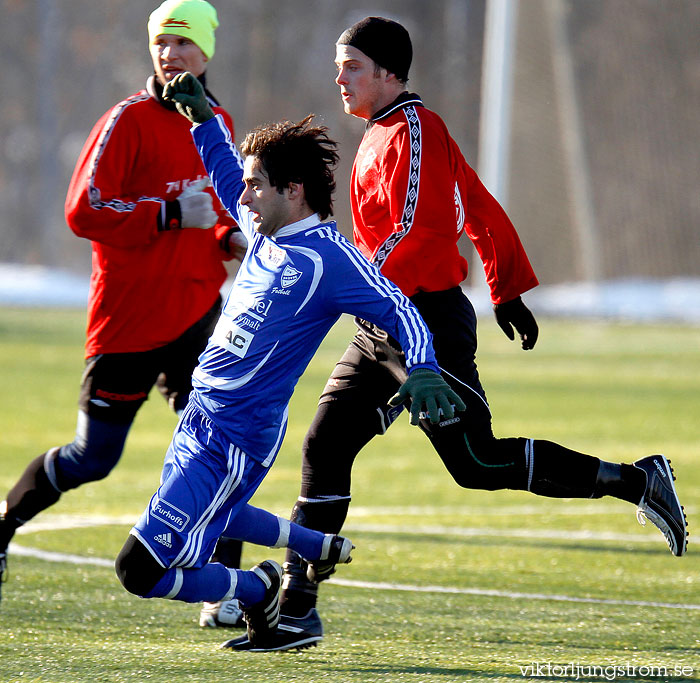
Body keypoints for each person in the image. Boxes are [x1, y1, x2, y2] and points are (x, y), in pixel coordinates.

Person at [222, 16, 689, 653]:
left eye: (352, 65)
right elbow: (476, 202)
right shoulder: (380, 133)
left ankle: (639, 481)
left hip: (427, 327)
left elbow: (418, 230)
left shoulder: (417, 129)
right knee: (325, 446)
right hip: (382, 322)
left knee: (478, 464)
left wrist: (370, 284)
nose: (340, 76)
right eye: (339, 65)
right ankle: (299, 609)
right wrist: (506, 285)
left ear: (390, 73)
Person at [113, 72, 465, 650]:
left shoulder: (331, 259)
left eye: (257, 187)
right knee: (216, 516)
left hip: (235, 434)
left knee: (139, 570)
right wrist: (203, 120)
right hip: (199, 416)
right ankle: (306, 548)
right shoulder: (264, 229)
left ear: (293, 190)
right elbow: (227, 174)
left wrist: (423, 366)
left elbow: (400, 308)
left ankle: (255, 588)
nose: (243, 199)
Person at [0, 0, 246, 622]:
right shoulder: (125, 120)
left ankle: (229, 593)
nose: (170, 54)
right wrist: (166, 215)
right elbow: (83, 212)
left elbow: (215, 218)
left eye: (183, 43)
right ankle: (2, 528)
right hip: (128, 321)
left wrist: (229, 239)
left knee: (223, 448)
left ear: (206, 52)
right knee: (93, 459)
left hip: (197, 313)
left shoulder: (218, 120)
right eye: (162, 43)